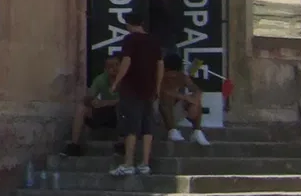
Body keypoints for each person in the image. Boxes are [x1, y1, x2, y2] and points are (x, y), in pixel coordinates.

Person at [109, 12, 163, 176]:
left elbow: (126, 61)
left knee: (131, 127)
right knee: (147, 127)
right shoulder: (154, 41)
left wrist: (116, 82)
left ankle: (128, 163)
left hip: (131, 88)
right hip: (149, 88)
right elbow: (160, 64)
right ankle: (145, 163)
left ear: (128, 24)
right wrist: (157, 87)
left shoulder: (130, 40)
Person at [64, 55, 121, 156]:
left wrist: (107, 102)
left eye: (117, 65)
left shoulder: (125, 80)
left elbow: (127, 100)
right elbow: (88, 97)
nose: (114, 68)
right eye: (110, 66)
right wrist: (92, 101)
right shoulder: (100, 79)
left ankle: (122, 145)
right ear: (105, 69)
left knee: (123, 108)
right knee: (81, 108)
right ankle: (74, 145)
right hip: (103, 113)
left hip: (119, 114)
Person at [159, 55, 211, 146]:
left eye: (175, 73)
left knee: (195, 100)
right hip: (158, 112)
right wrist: (185, 97)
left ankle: (197, 131)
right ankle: (172, 130)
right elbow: (164, 92)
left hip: (176, 111)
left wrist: (195, 100)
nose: (172, 76)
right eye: (170, 73)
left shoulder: (182, 77)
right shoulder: (159, 76)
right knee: (167, 97)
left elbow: (197, 90)